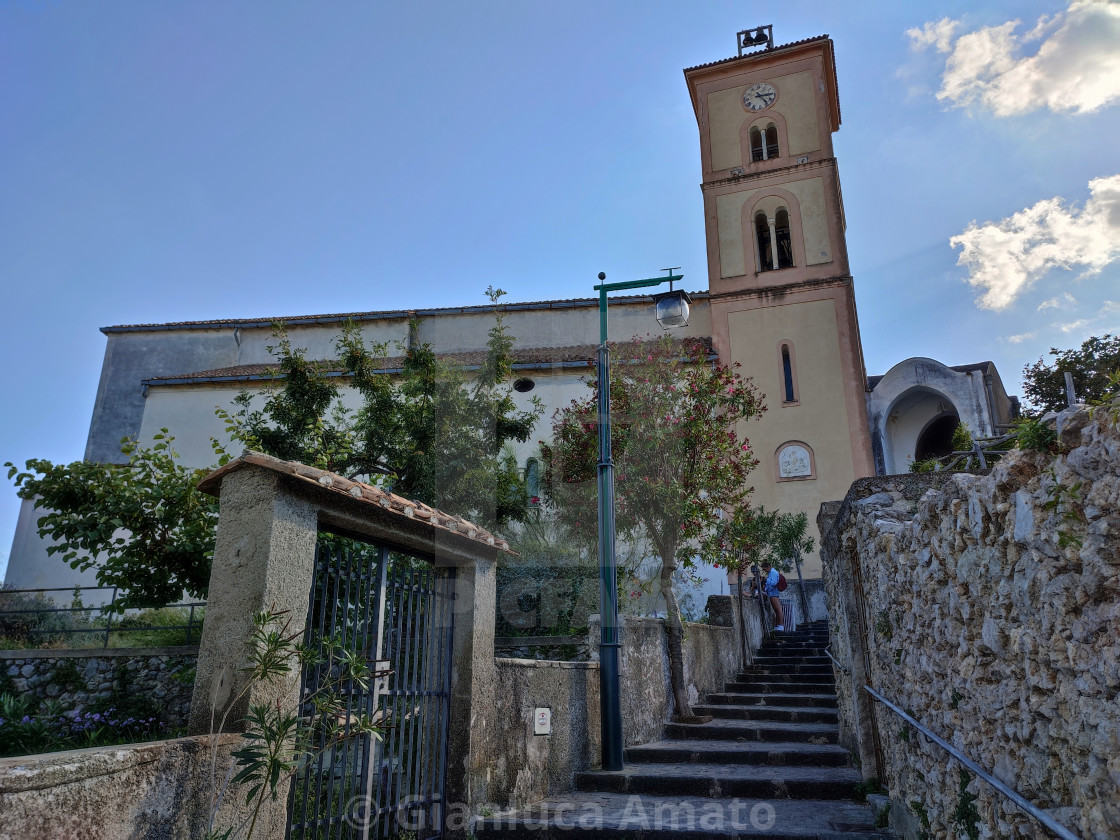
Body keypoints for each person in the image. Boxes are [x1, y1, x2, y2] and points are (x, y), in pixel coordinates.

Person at [756, 561, 784, 631]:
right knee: (776, 609)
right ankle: (778, 625)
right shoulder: (771, 572)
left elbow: (774, 582)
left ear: (768, 567)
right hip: (771, 592)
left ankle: (781, 625)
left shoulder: (773, 572)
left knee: (778, 609)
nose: (765, 571)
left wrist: (766, 579)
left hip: (773, 592)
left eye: (765, 569)